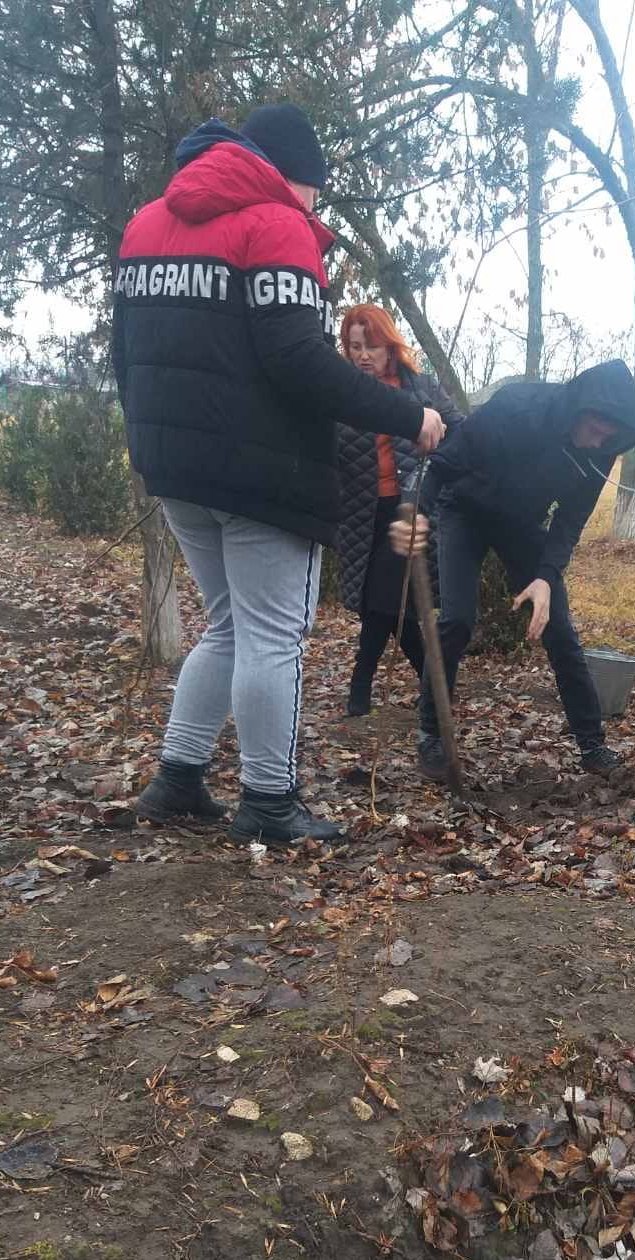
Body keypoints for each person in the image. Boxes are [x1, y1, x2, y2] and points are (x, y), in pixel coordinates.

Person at [115, 104, 446, 843]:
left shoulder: (145, 226)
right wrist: (409, 416)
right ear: (295, 176)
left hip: (174, 468)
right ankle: (269, 803)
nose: (315, 208)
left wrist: (151, 444)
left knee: (229, 625)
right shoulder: (276, 225)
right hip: (263, 473)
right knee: (273, 634)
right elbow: (300, 362)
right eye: (315, 192)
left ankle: (178, 779)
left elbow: (124, 354)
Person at [412, 360, 635, 781]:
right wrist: (418, 513)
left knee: (561, 631)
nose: (598, 443)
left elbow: (570, 520)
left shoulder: (602, 448)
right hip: (465, 509)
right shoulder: (517, 407)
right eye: (594, 431)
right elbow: (444, 463)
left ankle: (592, 744)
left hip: (521, 525)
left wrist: (546, 577)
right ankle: (430, 732)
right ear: (578, 409)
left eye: (607, 438)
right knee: (457, 620)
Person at [335, 304, 464, 717]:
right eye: (354, 347)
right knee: (390, 606)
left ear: (390, 346)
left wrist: (436, 447)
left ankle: (361, 685)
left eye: (371, 346)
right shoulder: (342, 392)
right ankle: (434, 682)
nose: (362, 356)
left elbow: (461, 434)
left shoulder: (421, 389)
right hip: (360, 515)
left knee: (384, 599)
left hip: (410, 509)